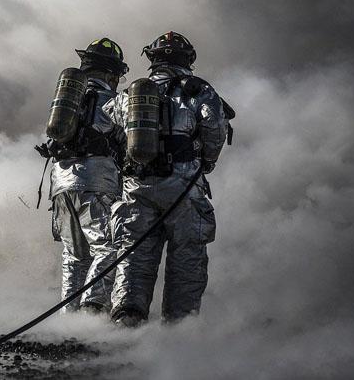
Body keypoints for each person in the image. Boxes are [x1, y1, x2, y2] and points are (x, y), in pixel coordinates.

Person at [103, 31, 233, 326]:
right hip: (184, 188)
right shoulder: (199, 90)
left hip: (137, 187)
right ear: (188, 59)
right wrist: (208, 162)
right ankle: (178, 330)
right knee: (187, 257)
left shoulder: (131, 95)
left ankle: (127, 321)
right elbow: (215, 126)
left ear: (153, 59)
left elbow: (108, 120)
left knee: (134, 256)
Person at [36, 38, 128, 315]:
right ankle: (91, 309)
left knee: (73, 255)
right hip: (97, 183)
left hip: (61, 184)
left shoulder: (65, 105)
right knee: (108, 249)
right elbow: (129, 144)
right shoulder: (113, 101)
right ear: (112, 74)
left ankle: (69, 318)